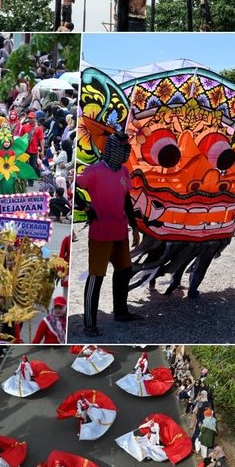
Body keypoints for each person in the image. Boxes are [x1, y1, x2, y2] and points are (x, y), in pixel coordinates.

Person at [76, 130, 140, 335]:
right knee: (96, 277)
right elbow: (74, 187)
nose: (124, 153)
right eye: (121, 149)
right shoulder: (94, 171)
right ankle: (89, 323)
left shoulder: (123, 172)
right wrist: (86, 208)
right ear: (112, 149)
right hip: (100, 233)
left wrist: (135, 227)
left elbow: (127, 200)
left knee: (124, 272)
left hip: (120, 231)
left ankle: (121, 311)